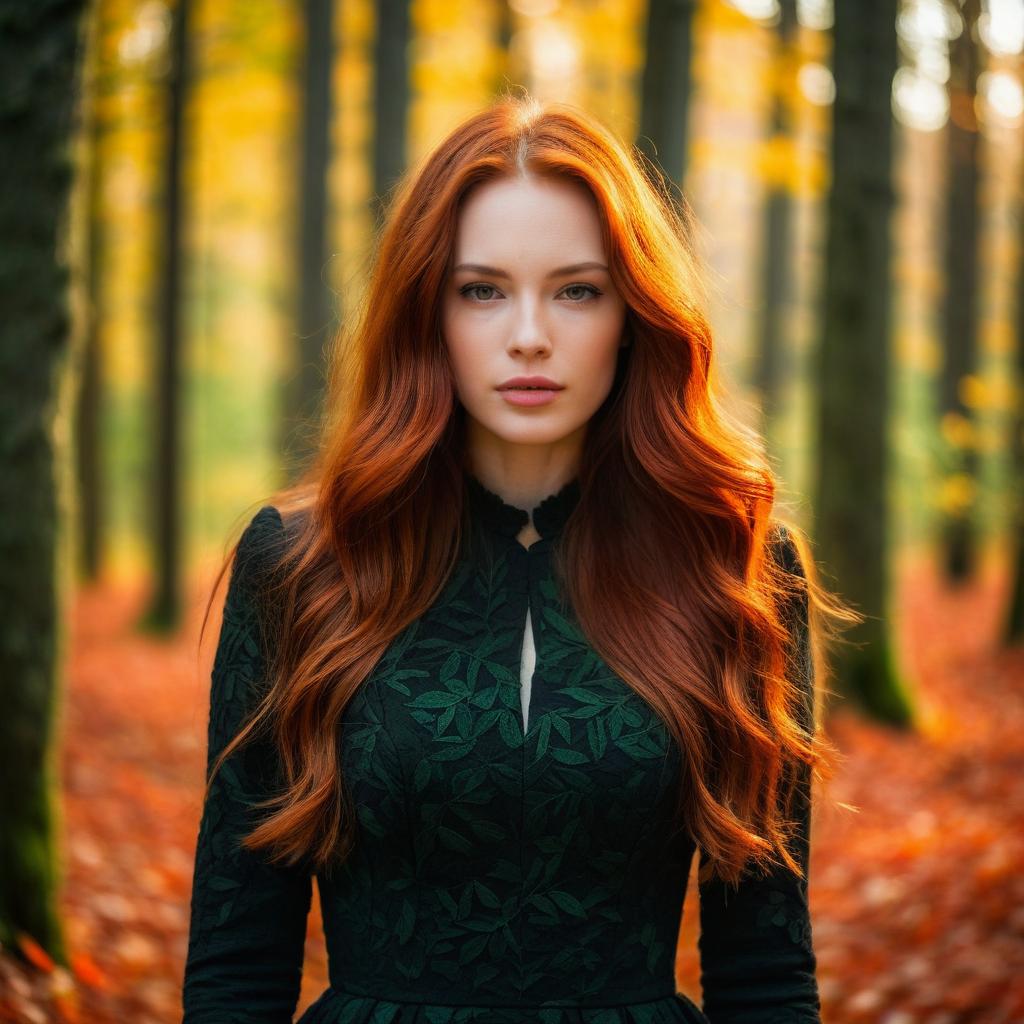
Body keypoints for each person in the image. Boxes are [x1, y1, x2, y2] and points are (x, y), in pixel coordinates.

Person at [182, 94, 851, 1024]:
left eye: (577, 289)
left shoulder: (735, 566)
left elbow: (766, 971)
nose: (529, 333)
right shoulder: (300, 565)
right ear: (428, 310)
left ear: (633, 313)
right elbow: (236, 961)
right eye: (482, 289)